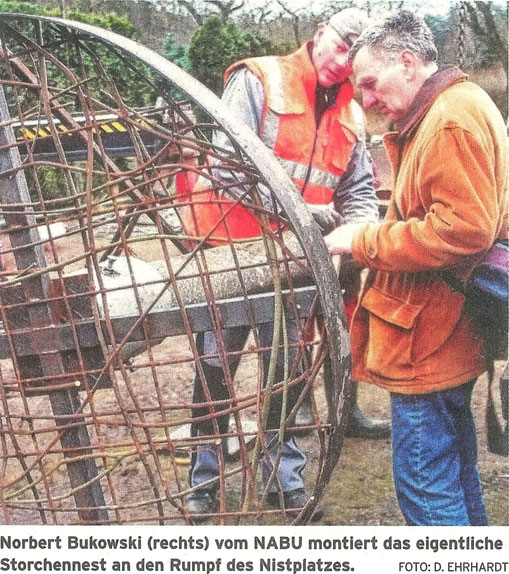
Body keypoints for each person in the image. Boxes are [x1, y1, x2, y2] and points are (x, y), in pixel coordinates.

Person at [181, 7, 389, 520]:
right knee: (215, 373)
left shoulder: (353, 114)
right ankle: (203, 480)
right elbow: (227, 167)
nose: (343, 61)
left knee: (289, 374)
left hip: (296, 267)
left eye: (354, 55)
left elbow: (359, 188)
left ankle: (283, 475)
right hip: (231, 256)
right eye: (339, 46)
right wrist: (299, 211)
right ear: (319, 36)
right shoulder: (258, 81)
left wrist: (358, 228)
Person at [325, 11, 508, 525]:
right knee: (452, 471)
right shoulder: (455, 105)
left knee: (426, 487)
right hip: (444, 332)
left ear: (406, 63)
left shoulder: (449, 120)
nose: (365, 99)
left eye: (369, 82)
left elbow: (463, 230)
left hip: (428, 340)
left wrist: (363, 238)